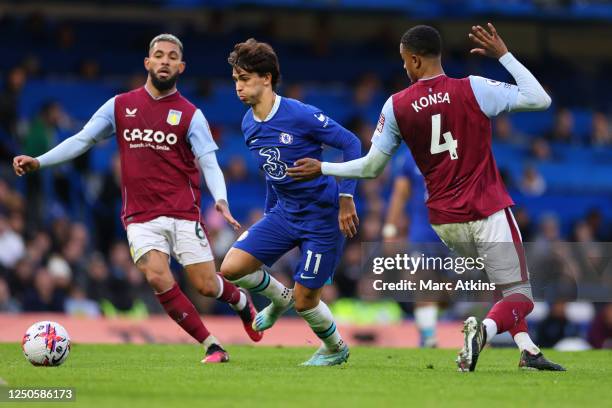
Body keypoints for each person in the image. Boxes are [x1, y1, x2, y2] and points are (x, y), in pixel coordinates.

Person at [288, 24, 565, 371]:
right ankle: (483, 331)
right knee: (521, 296)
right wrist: (503, 55)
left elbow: (371, 168)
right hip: (487, 208)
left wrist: (324, 168)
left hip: (445, 222)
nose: (404, 68)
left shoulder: (397, 106)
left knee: (501, 281)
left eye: (405, 61)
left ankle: (528, 351)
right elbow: (540, 99)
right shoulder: (473, 88)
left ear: (416, 60)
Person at [13, 34, 261, 364]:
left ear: (181, 66)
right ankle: (212, 345)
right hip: (140, 216)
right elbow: (83, 139)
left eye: (172, 56)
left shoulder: (190, 115)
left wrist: (221, 199)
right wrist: (40, 160)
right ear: (147, 62)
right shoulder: (120, 105)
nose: (165, 60)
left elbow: (209, 163)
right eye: (158, 55)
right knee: (158, 277)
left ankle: (241, 302)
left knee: (205, 286)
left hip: (183, 213)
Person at [221, 38, 362, 366]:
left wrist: (346, 199)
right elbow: (271, 172)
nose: (238, 88)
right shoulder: (247, 124)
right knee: (231, 268)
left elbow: (351, 143)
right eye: (235, 81)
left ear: (266, 78)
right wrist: (271, 215)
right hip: (284, 213)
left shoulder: (300, 114)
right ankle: (277, 298)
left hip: (321, 217)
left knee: (305, 301)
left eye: (244, 79)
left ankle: (335, 348)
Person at [384, 151, 442, 348]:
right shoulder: (411, 157)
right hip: (422, 232)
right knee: (421, 281)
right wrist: (390, 229)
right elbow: (400, 193)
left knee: (452, 289)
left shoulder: (458, 148)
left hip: (455, 230)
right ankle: (429, 337)